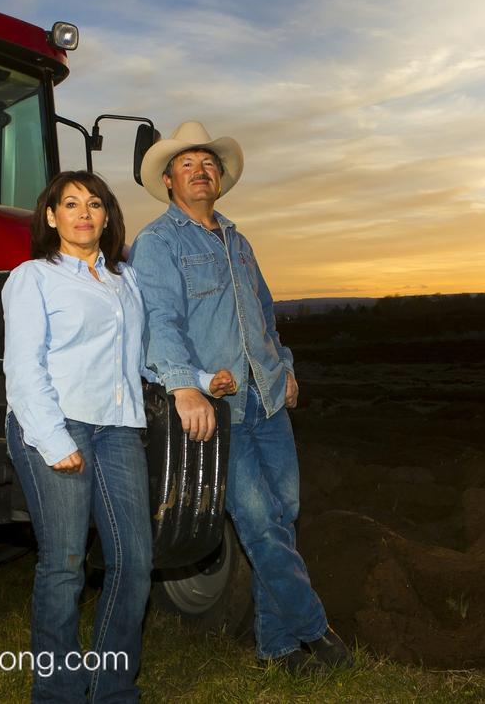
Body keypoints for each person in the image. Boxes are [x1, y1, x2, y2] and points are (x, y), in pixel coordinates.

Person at [129, 121, 352, 674]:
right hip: (218, 411)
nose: (200, 171)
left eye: (208, 163)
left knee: (285, 513)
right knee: (258, 519)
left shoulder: (239, 241)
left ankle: (276, 648)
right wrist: (184, 384)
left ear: (220, 178)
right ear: (168, 178)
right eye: (187, 164)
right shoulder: (159, 244)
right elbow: (159, 321)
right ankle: (316, 631)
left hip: (267, 400)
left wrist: (286, 367)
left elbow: (264, 313)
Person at [2, 170, 152, 703]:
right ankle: (58, 693)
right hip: (55, 423)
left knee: (134, 563)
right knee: (64, 563)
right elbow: (22, 369)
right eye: (70, 203)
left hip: (118, 428)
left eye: (94, 204)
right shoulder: (32, 277)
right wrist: (53, 439)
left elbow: (141, 357)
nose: (83, 213)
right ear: (51, 216)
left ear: (107, 216)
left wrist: (199, 382)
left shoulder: (125, 281)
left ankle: (113, 691)